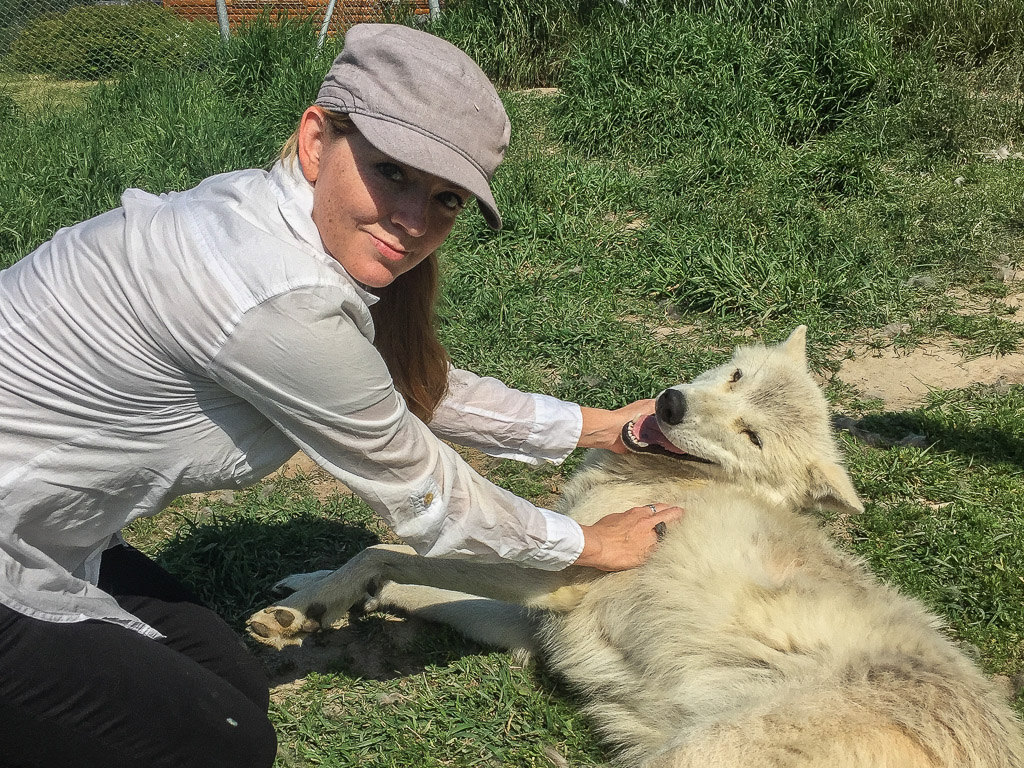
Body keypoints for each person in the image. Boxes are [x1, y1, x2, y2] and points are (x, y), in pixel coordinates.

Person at [0, 23, 683, 768]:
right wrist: (584, 544)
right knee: (226, 748)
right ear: (317, 139)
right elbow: (427, 495)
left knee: (232, 686)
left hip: (44, 523)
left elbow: (398, 387)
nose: (415, 222)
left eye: (446, 198)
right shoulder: (274, 296)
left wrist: (594, 428)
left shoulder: (267, 218)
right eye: (392, 173)